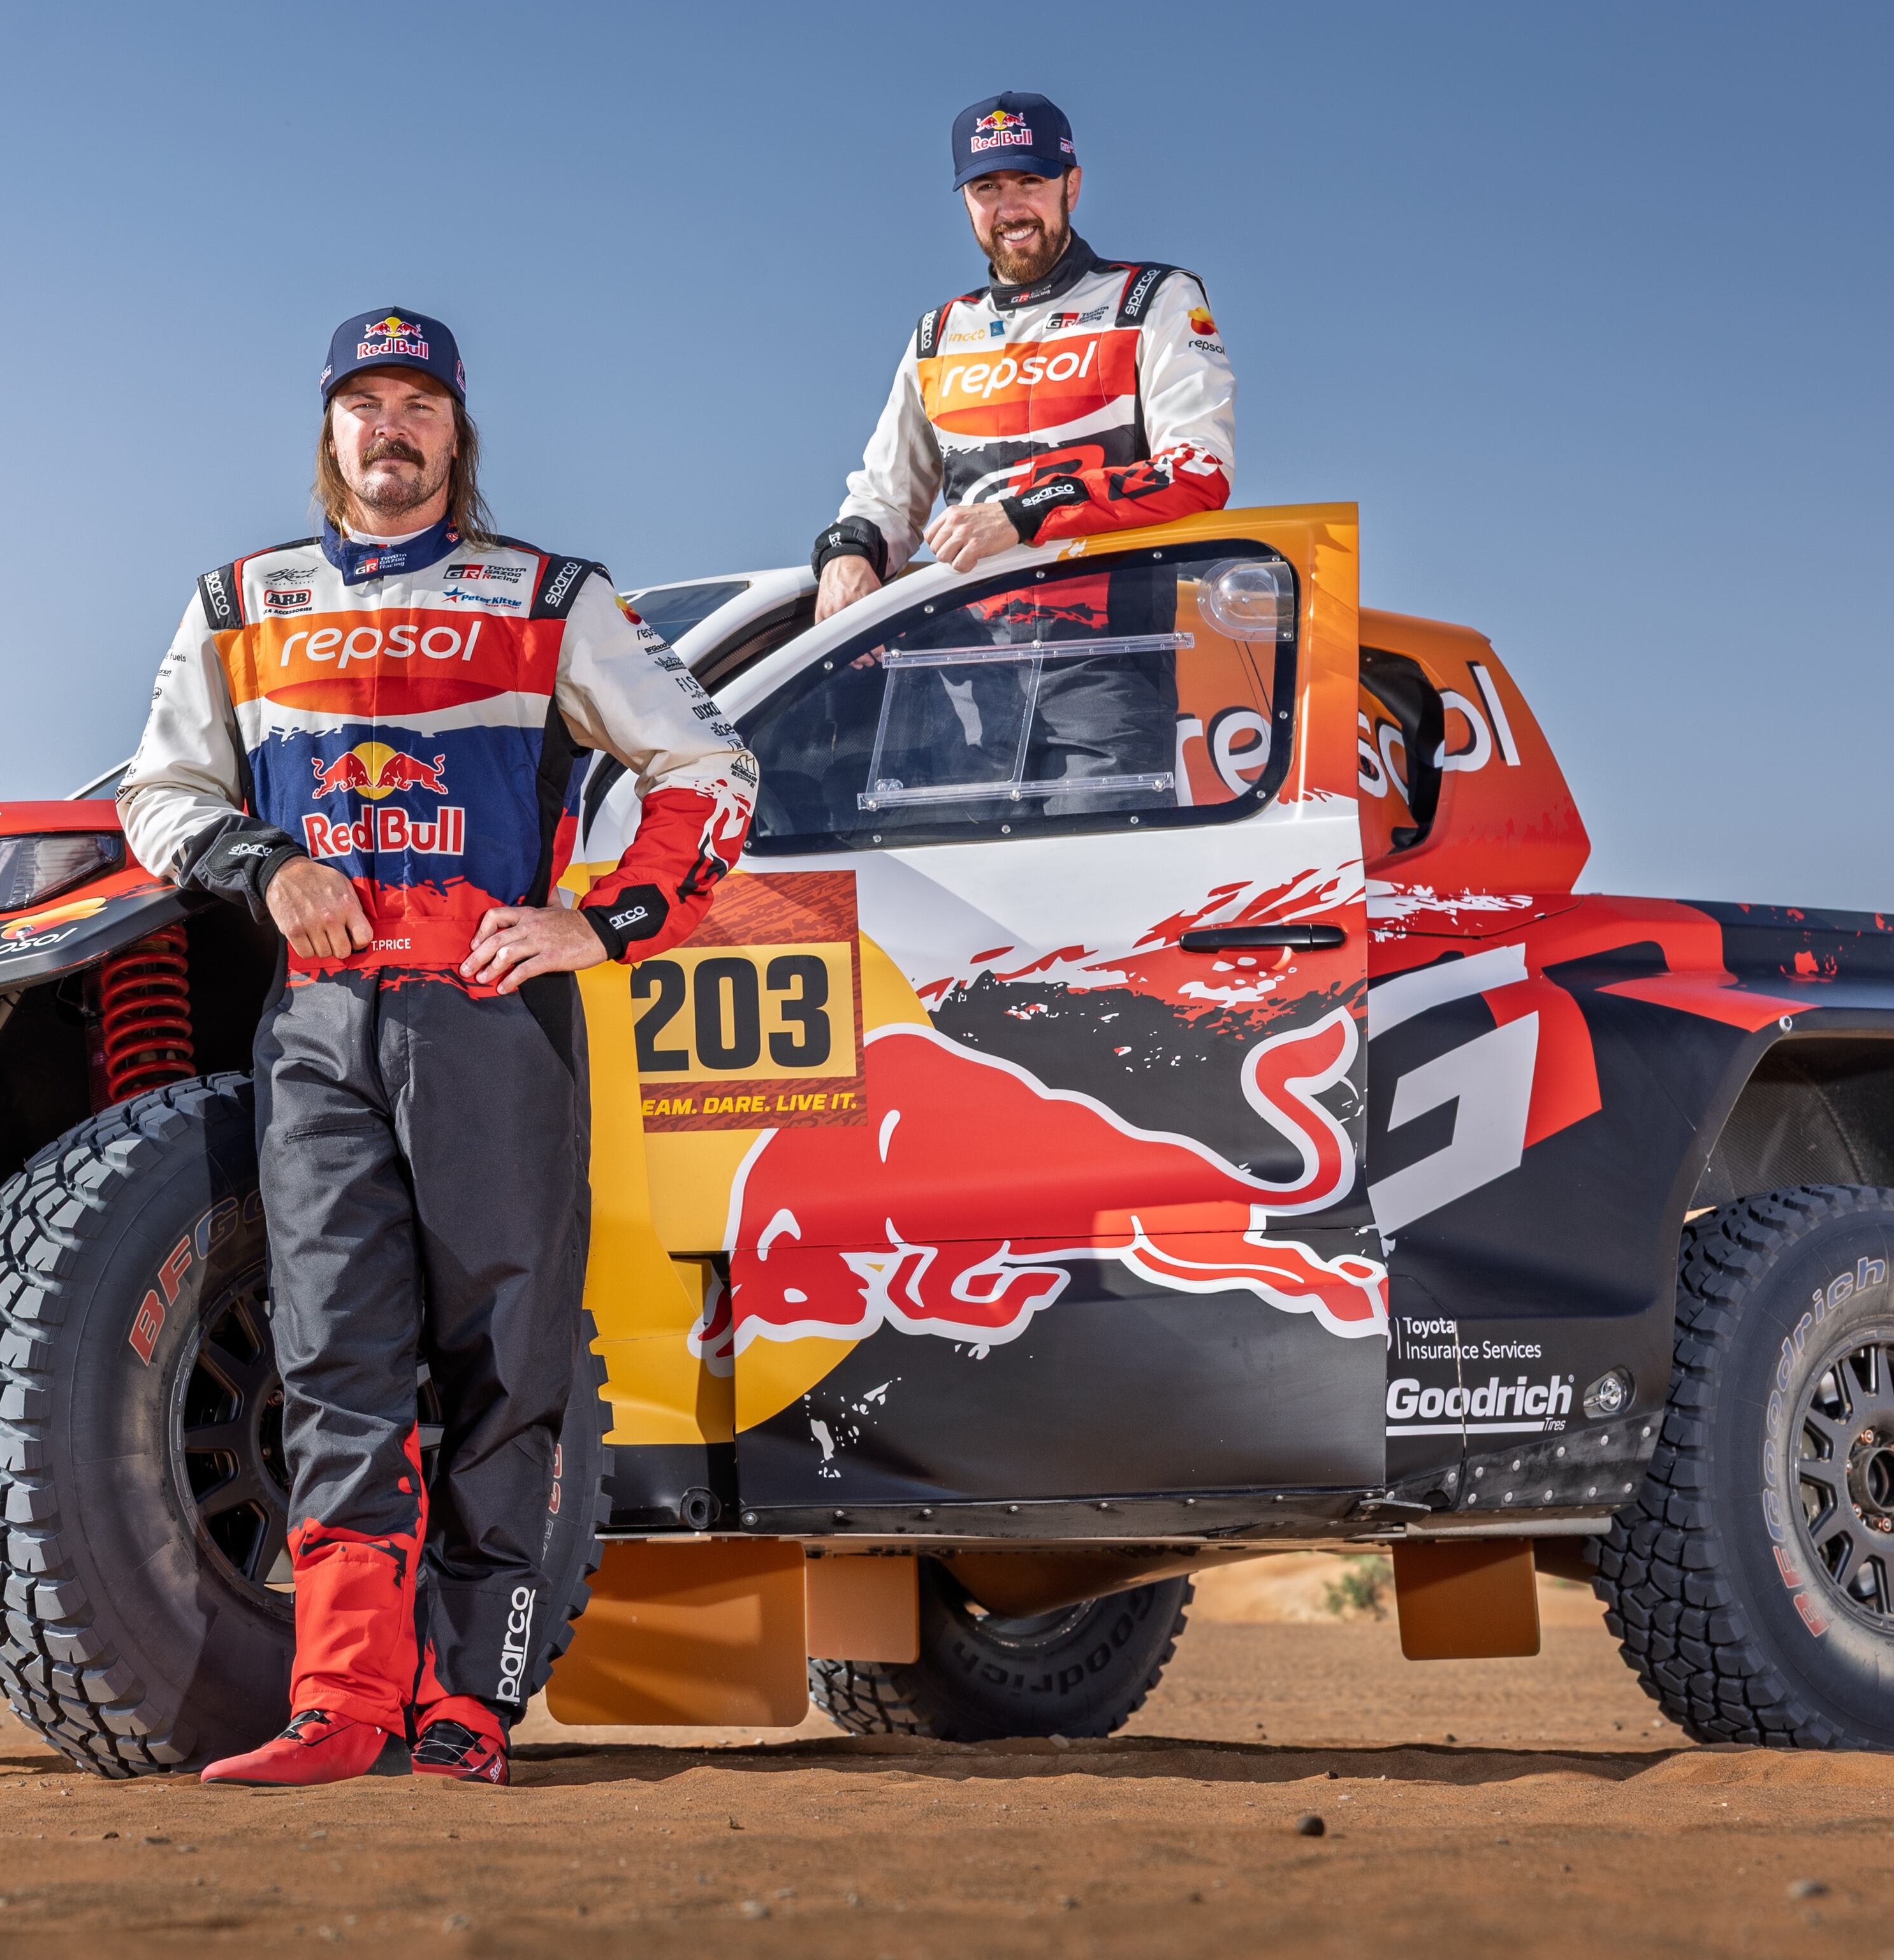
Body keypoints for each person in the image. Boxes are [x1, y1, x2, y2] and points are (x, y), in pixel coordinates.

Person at [119, 307, 755, 1786]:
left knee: (505, 1362)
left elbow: (709, 764)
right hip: (317, 1021)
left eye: (417, 403)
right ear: (329, 430)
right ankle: (339, 1705)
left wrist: (606, 919)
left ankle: (471, 1697)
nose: (389, 428)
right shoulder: (239, 601)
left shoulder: (549, 594)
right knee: (334, 1356)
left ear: (456, 432)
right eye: (365, 402)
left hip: (488, 1016)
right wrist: (266, 864)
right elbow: (157, 795)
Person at [812, 92, 1237, 620]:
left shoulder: (1153, 299)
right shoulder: (939, 334)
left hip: (1117, 651)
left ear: (1071, 186)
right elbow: (887, 499)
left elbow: (1198, 468)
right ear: (966, 202)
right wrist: (849, 550)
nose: (1010, 210)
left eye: (1030, 181)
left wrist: (1024, 513)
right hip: (966, 656)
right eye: (987, 187)